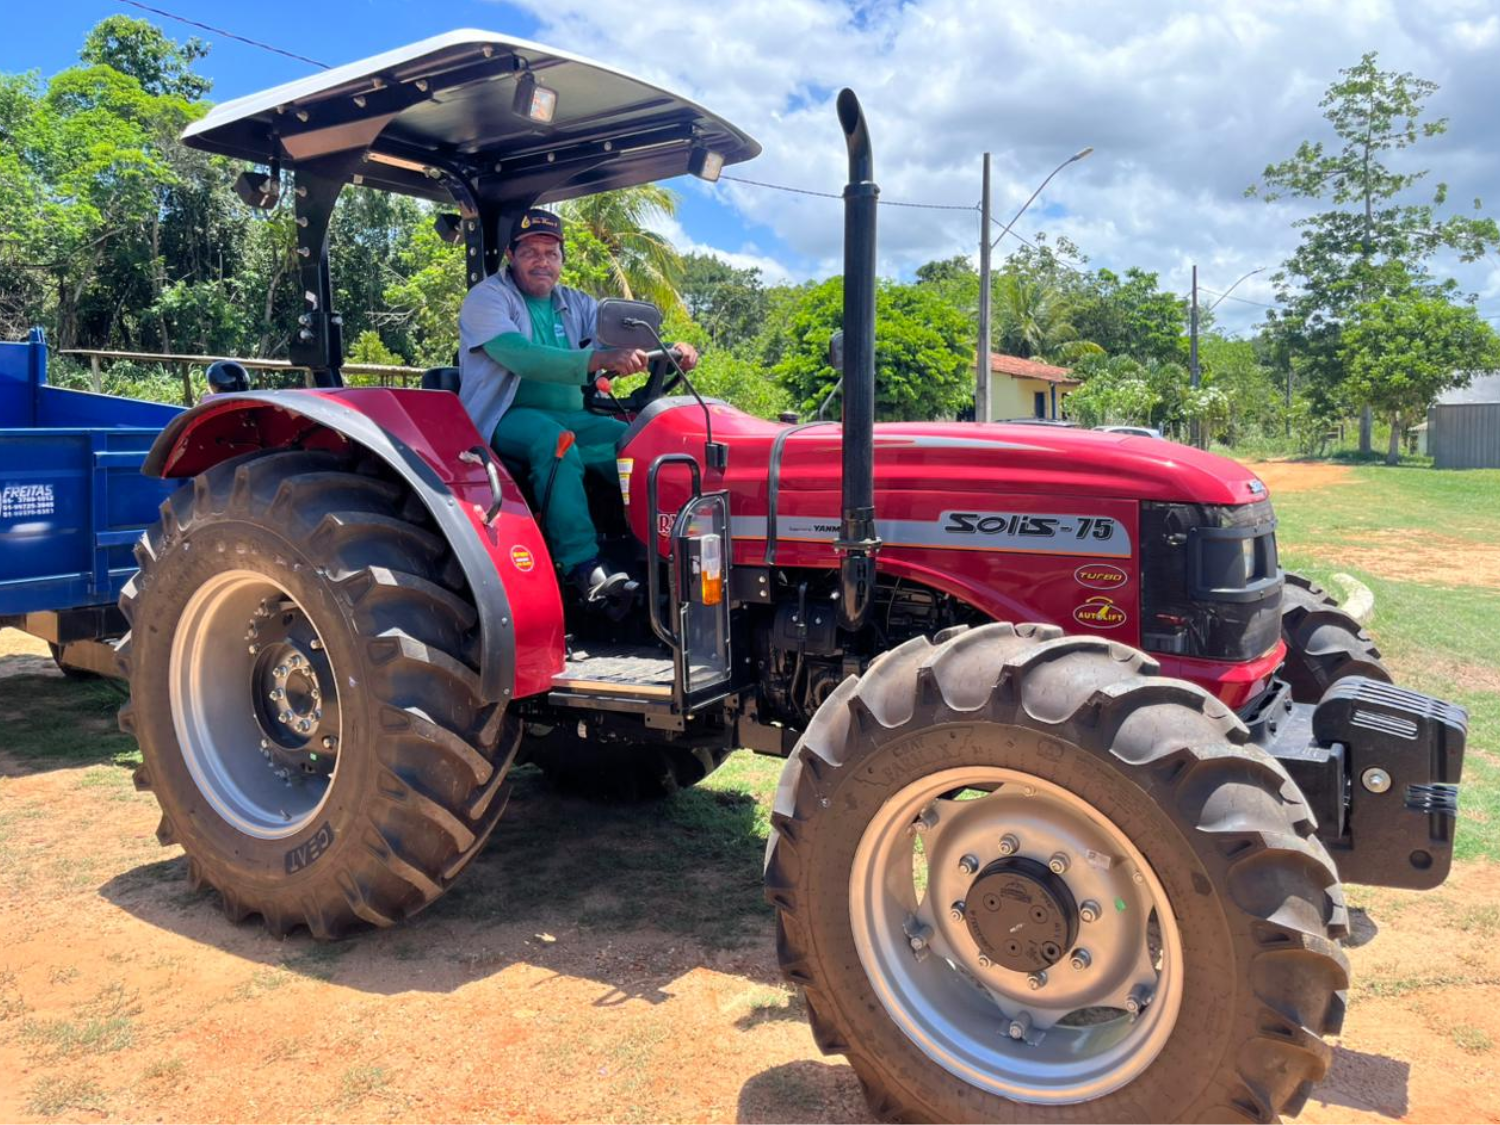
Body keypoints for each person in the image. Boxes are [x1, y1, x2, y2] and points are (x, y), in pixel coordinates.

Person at [457, 208, 698, 606]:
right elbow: (521, 356)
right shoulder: (487, 299)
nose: (542, 261)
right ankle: (583, 566)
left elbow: (618, 341)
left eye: (551, 253)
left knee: (642, 443)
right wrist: (597, 361)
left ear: (562, 260)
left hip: (577, 415)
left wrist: (671, 349)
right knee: (557, 443)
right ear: (511, 257)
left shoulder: (577, 304)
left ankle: (665, 554)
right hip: (504, 418)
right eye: (531, 251)